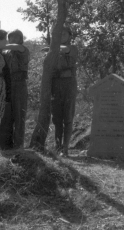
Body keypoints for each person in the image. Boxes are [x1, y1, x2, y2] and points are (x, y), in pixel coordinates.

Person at [0, 29, 30, 150]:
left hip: (19, 85)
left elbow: (17, 47)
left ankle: (18, 145)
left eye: (16, 37)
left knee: (19, 116)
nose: (13, 40)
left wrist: (0, 45)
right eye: (10, 37)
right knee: (6, 116)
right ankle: (5, 146)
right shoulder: (5, 52)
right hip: (7, 84)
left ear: (21, 39)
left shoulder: (23, 49)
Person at [50, 26, 78, 157]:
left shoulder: (72, 48)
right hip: (55, 84)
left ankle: (65, 148)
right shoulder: (52, 50)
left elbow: (66, 50)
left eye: (64, 33)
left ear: (69, 36)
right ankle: (57, 146)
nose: (61, 35)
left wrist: (52, 48)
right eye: (59, 34)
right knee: (57, 118)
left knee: (68, 117)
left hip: (69, 84)